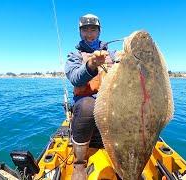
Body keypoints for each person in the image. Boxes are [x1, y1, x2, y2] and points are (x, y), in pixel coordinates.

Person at [65, 14, 116, 179]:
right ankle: (79, 163)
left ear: (99, 31)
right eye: (85, 30)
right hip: (87, 101)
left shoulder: (113, 53)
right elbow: (74, 77)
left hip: (111, 100)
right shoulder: (75, 55)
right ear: (80, 32)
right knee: (87, 106)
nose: (89, 33)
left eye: (93, 29)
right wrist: (91, 64)